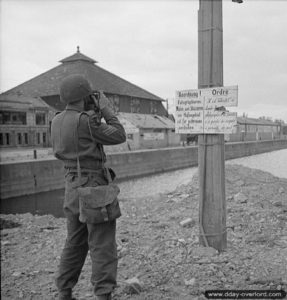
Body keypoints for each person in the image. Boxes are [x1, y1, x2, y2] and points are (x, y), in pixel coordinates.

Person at [51, 74, 126, 300]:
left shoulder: (55, 120)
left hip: (71, 186)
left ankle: (64, 290)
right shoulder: (86, 121)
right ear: (85, 97)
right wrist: (105, 109)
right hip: (93, 186)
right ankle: (103, 294)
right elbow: (119, 134)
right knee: (102, 243)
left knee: (75, 240)